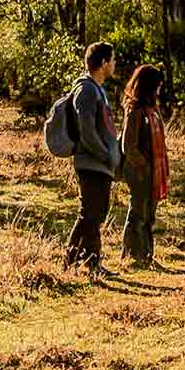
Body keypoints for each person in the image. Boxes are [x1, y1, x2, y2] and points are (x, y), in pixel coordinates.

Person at [64, 42, 121, 273]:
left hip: (101, 164)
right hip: (91, 163)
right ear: (104, 63)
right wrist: (105, 155)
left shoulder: (98, 90)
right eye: (113, 60)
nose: (115, 64)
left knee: (95, 213)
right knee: (90, 212)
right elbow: (86, 129)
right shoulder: (86, 89)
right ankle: (85, 261)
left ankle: (81, 261)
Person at [119, 64, 170, 268]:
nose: (159, 89)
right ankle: (132, 256)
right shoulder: (136, 110)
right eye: (157, 85)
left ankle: (146, 255)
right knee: (138, 213)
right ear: (149, 86)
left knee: (149, 215)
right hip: (139, 170)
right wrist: (143, 166)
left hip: (151, 171)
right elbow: (128, 146)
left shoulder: (152, 109)